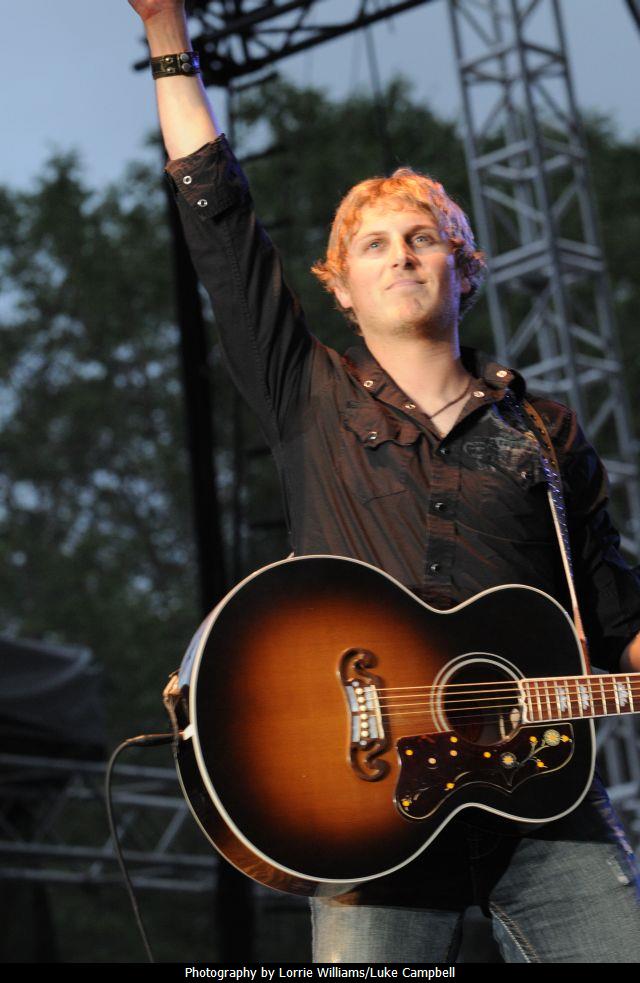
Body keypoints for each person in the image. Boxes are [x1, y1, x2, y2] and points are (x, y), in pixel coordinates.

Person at [129, 0, 640, 963]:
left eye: (423, 238)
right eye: (374, 245)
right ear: (340, 284)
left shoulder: (545, 431)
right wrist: (166, 36)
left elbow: (611, 611)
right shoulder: (306, 388)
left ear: (465, 269)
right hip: (364, 804)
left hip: (544, 803)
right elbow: (219, 220)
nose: (401, 255)